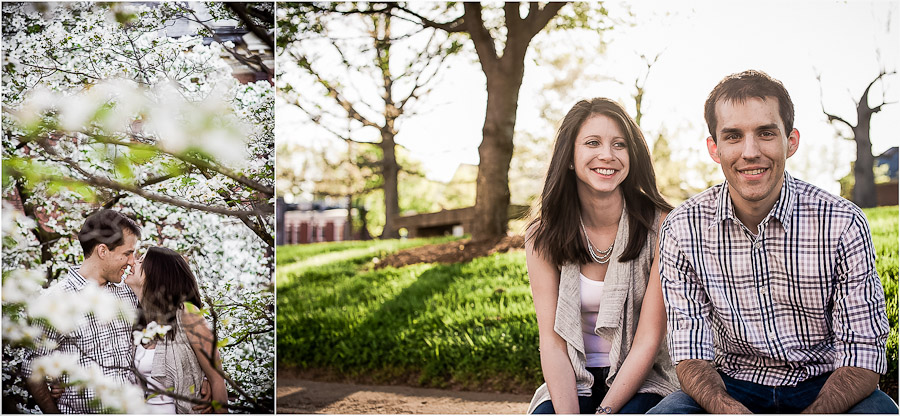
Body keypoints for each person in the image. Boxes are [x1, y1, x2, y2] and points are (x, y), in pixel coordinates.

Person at [649, 70, 898, 413]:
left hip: (825, 382)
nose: (750, 152)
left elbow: (863, 351)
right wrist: (726, 408)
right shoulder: (682, 228)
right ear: (714, 148)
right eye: (733, 136)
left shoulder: (843, 222)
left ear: (791, 141)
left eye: (766, 133)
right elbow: (690, 354)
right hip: (731, 384)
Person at [525, 98, 679, 414]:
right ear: (570, 157)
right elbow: (552, 343)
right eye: (592, 143)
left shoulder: (663, 225)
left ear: (632, 156)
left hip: (644, 378)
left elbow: (648, 340)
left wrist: (604, 413)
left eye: (619, 145)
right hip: (574, 377)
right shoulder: (542, 235)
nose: (607, 155)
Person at [23, 209, 142, 413]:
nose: (132, 262)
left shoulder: (129, 294)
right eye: (127, 253)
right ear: (103, 251)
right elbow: (33, 371)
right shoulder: (54, 302)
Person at [127, 246, 229, 414]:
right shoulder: (140, 320)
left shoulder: (187, 314)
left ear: (157, 273)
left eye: (141, 261)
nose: (133, 263)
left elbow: (217, 379)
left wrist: (205, 380)